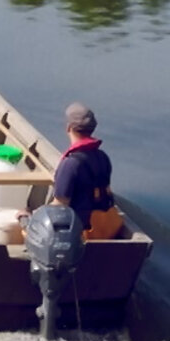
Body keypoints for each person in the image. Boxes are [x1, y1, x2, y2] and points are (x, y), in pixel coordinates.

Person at [49, 103, 122, 240]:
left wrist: (32, 215)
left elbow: (60, 206)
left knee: (23, 218)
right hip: (106, 228)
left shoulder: (70, 164)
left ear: (68, 128)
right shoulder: (103, 157)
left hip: (81, 233)